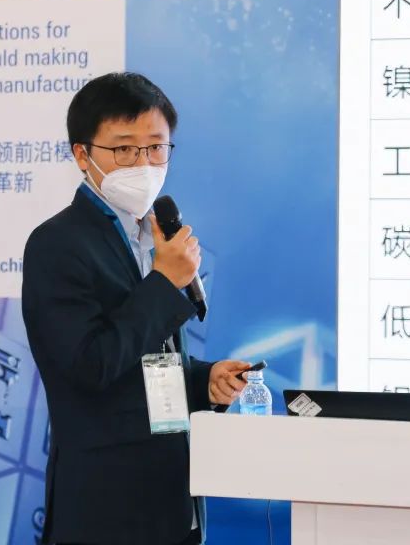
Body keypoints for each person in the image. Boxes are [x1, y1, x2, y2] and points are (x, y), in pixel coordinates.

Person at [22, 72, 249, 545]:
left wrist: (203, 380)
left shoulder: (155, 235)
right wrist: (165, 282)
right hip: (107, 508)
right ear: (82, 154)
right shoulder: (57, 244)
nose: (143, 163)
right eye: (125, 149)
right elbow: (90, 365)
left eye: (156, 147)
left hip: (174, 502)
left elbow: (148, 356)